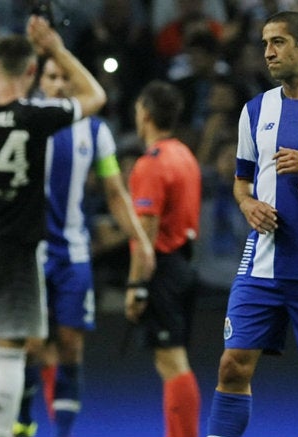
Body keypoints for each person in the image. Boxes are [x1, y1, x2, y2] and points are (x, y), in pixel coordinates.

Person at [0, 16, 106, 437]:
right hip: (17, 251)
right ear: (31, 73)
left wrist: (19, 48)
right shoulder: (38, 116)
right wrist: (54, 47)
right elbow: (94, 96)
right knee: (10, 353)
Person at [13, 57, 155, 437]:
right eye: (51, 77)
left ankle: (63, 432)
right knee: (30, 344)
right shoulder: (25, 123)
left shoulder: (95, 131)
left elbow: (114, 192)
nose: (59, 84)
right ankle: (23, 423)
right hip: (30, 253)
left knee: (71, 345)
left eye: (65, 78)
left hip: (74, 253)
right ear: (39, 81)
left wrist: (138, 240)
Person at [204, 12, 298, 437]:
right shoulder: (256, 110)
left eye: (278, 42)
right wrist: (248, 205)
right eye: (265, 43)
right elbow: (242, 180)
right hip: (264, 264)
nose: (268, 52)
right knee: (232, 365)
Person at [124, 80, 202, 437]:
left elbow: (146, 235)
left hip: (163, 268)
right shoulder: (184, 155)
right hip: (184, 265)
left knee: (171, 361)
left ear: (146, 114)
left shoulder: (150, 164)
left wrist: (137, 287)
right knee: (173, 360)